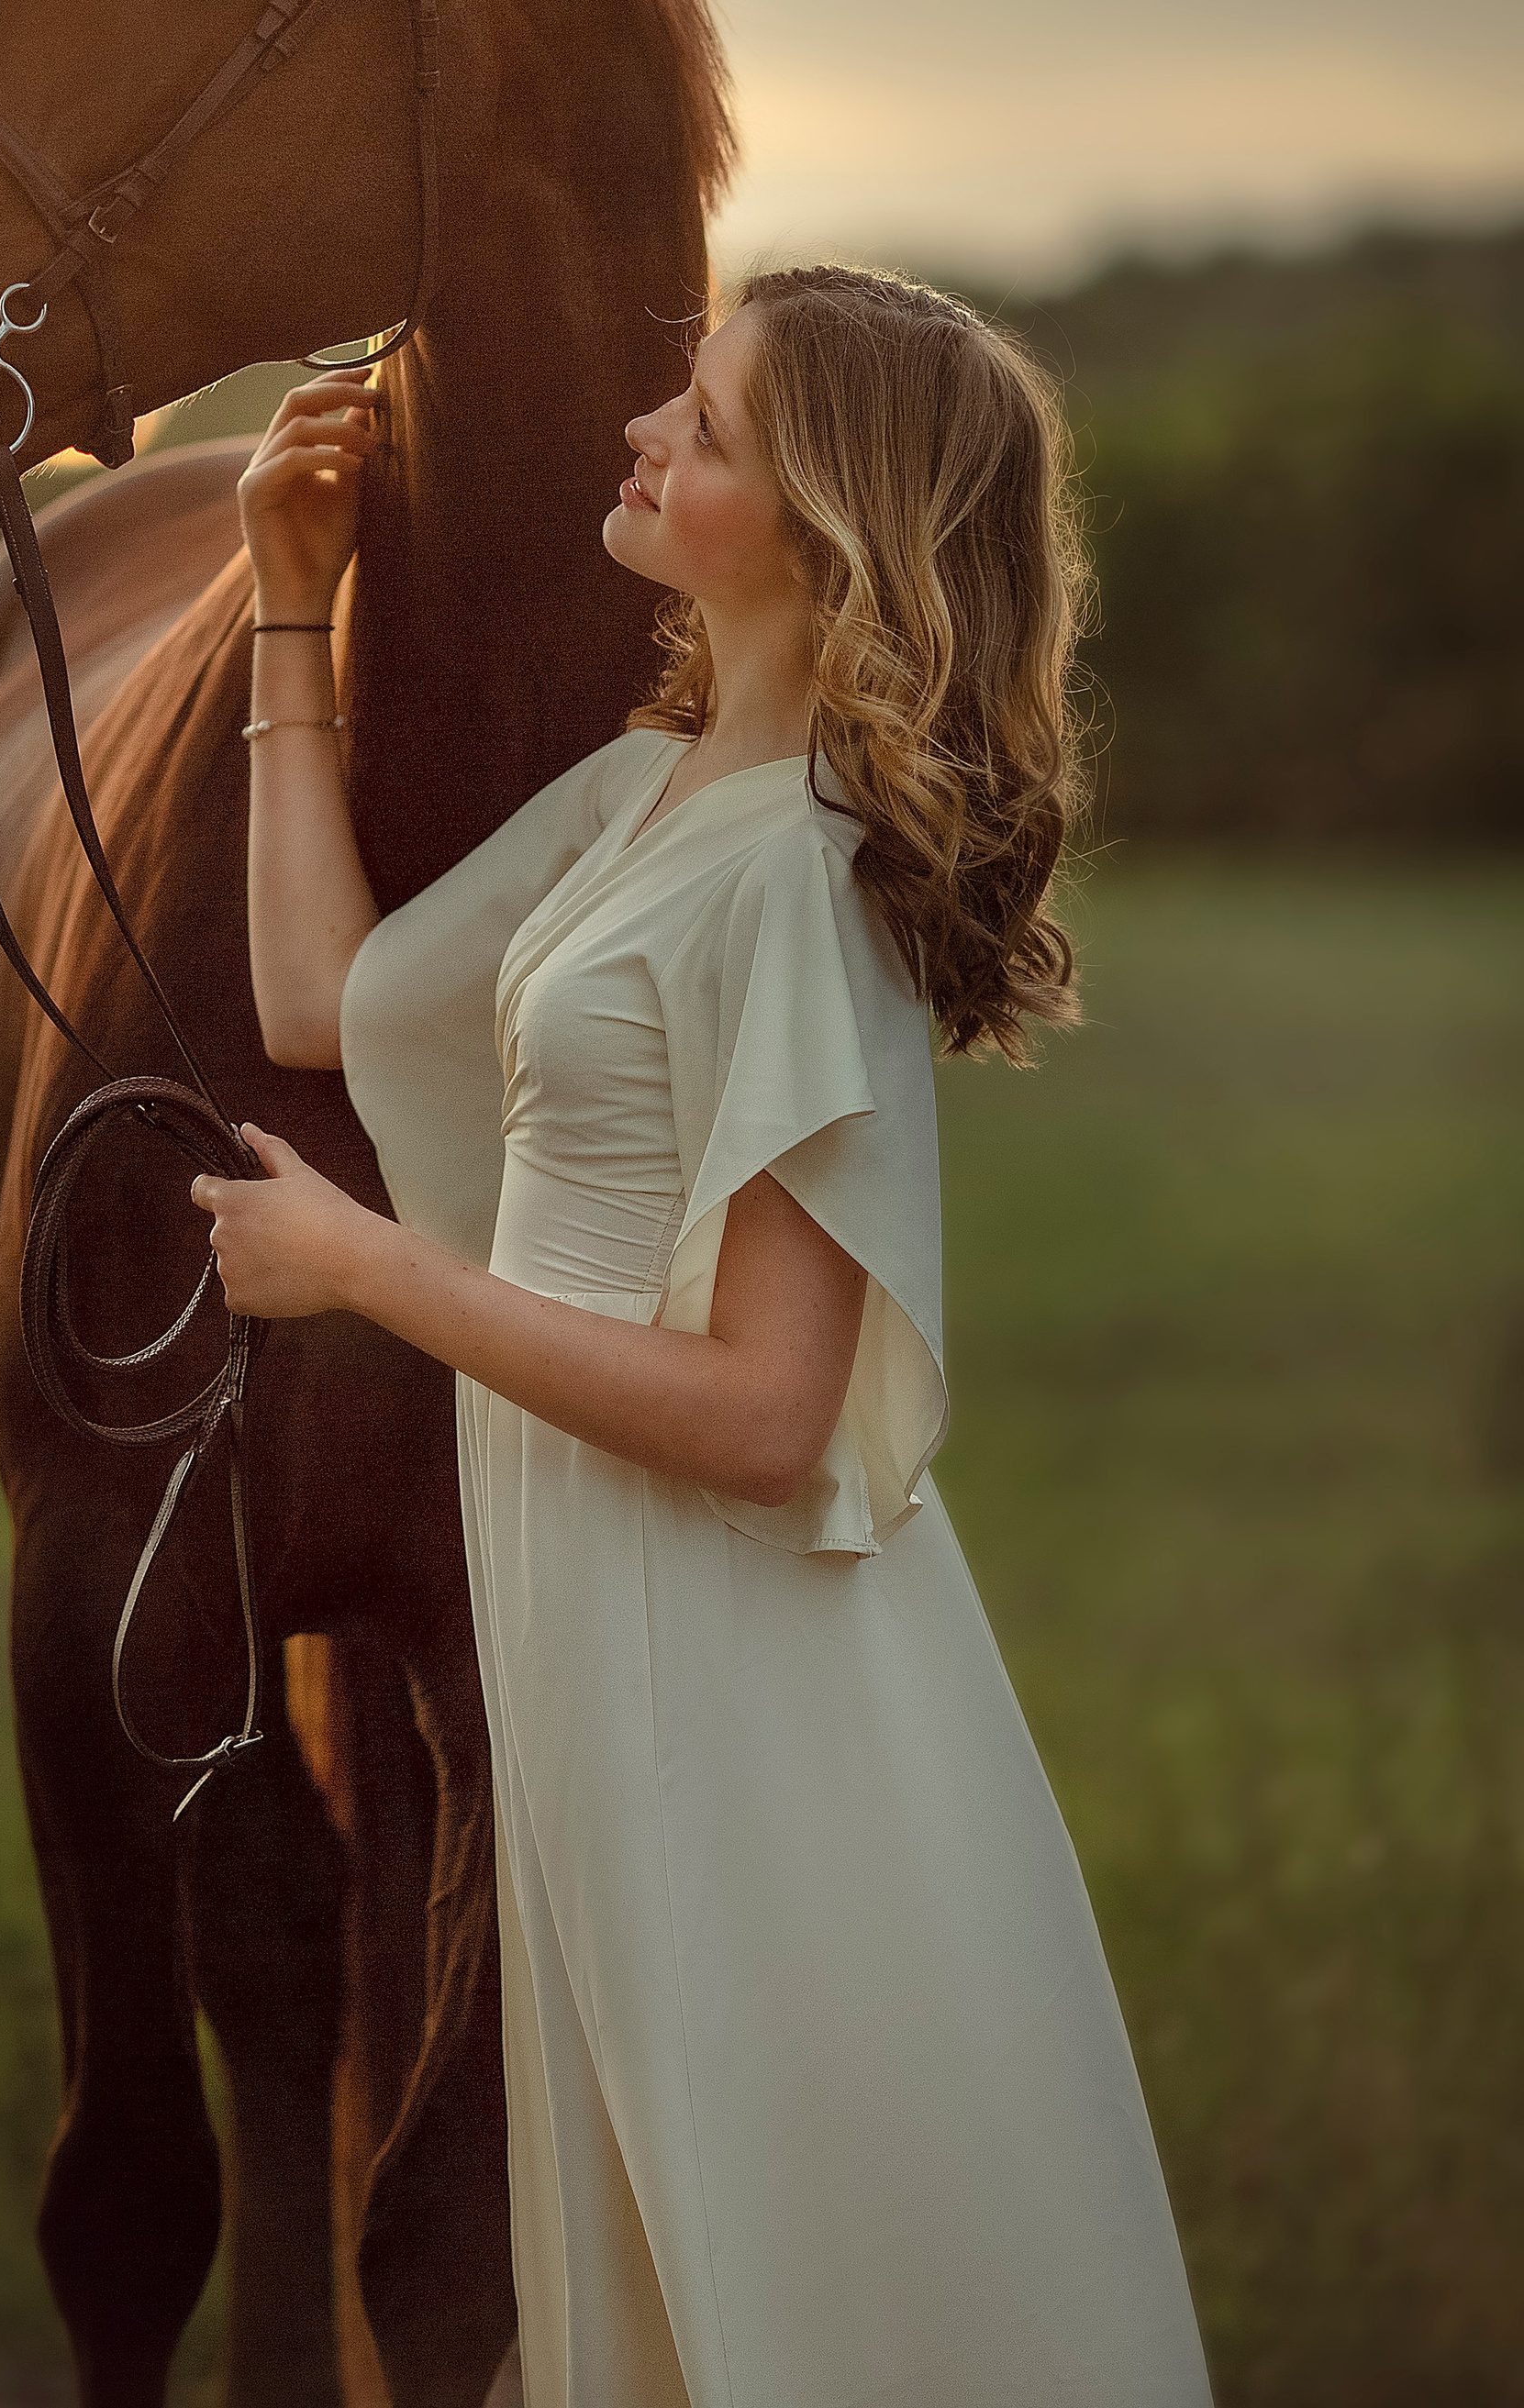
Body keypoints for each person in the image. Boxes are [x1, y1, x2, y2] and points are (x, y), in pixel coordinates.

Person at [188, 262, 1213, 2408]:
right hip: (586, 1600)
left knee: (777, 2227)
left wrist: (369, 1273)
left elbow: (767, 1416)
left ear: (826, 525)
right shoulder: (641, 796)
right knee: (653, 2219)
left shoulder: (801, 882)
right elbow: (326, 1005)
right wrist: (292, 606)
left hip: (720, 1656)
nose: (647, 437)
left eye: (711, 426)